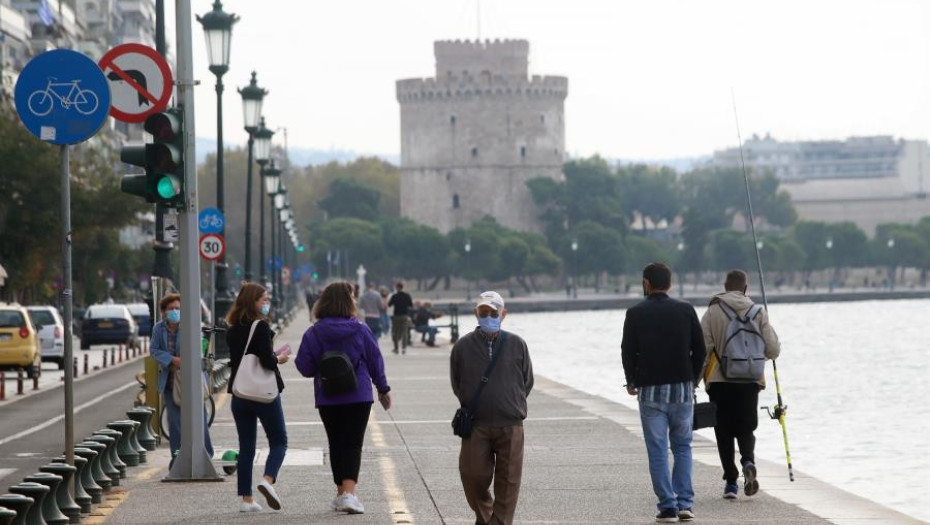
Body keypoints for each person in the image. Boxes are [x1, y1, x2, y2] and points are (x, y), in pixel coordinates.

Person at [295, 282, 392, 515]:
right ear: (349, 302)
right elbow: (374, 360)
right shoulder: (360, 330)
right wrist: (383, 388)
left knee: (336, 443)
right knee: (353, 443)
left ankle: (341, 493)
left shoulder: (314, 332)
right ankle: (349, 494)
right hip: (358, 395)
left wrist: (321, 366)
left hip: (328, 396)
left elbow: (304, 367)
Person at [621, 262, 705, 523]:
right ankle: (685, 504)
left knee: (657, 449)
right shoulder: (685, 309)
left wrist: (632, 380)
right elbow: (700, 349)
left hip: (650, 392)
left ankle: (667, 506)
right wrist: (691, 379)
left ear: (646, 283)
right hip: (681, 390)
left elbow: (627, 350)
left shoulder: (635, 313)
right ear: (669, 283)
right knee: (682, 447)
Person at [450, 291, 534, 525]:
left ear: (503, 314)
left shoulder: (517, 344)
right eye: (483, 312)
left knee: (509, 482)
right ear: (476, 314)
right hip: (477, 423)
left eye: (493, 313)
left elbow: (527, 380)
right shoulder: (462, 346)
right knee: (472, 475)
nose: (488, 317)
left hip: (510, 422)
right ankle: (487, 517)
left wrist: (511, 401)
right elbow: (457, 382)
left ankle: (499, 522)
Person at [700, 270, 781, 499]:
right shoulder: (758, 311)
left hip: (719, 381)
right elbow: (773, 350)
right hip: (750, 381)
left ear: (725, 287)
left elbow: (703, 349)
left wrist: (694, 380)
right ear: (746, 288)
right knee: (746, 428)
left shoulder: (713, 311)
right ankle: (748, 461)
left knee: (723, 431)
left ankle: (731, 484)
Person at [226, 283, 289, 512]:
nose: (267, 302)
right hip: (263, 395)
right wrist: (280, 358)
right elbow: (267, 361)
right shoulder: (260, 327)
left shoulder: (232, 329)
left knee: (246, 447)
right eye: (263, 299)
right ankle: (268, 480)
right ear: (252, 301)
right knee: (279, 441)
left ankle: (247, 500)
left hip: (240, 394)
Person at [149, 293, 214, 459]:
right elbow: (154, 351)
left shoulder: (191, 326)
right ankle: (177, 457)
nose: (175, 311)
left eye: (178, 308)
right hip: (170, 383)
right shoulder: (158, 329)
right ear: (163, 311)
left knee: (199, 419)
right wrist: (173, 360)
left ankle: (206, 455)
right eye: (171, 309)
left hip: (191, 381)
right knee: (175, 423)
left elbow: (198, 348)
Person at [387, 281, 413, 354]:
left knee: (395, 332)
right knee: (405, 332)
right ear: (403, 287)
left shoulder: (395, 296)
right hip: (405, 316)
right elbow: (411, 305)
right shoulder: (407, 295)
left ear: (397, 287)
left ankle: (396, 348)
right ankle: (404, 348)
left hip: (396, 316)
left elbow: (389, 305)